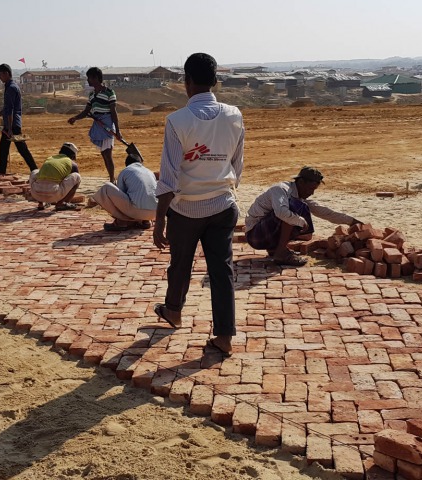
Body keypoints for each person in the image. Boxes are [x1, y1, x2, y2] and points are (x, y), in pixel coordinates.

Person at [152, 53, 244, 357]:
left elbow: (168, 177)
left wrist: (159, 221)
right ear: (215, 81)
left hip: (186, 210)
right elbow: (237, 164)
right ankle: (224, 337)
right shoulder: (234, 115)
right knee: (222, 271)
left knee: (180, 265)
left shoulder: (177, 121)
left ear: (186, 82)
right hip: (222, 205)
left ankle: (174, 311)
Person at [245, 167, 362, 267]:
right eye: (311, 189)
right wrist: (301, 221)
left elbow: (325, 212)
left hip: (265, 235)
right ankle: (280, 253)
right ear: (301, 182)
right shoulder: (281, 189)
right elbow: (281, 212)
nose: (312, 193)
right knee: (293, 209)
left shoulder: (299, 195)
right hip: (255, 235)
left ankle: (275, 249)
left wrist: (352, 222)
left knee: (300, 209)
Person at [67, 67, 119, 183]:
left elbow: (114, 112)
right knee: (104, 154)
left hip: (107, 125)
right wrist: (75, 118)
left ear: (96, 78)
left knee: (107, 153)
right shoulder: (91, 95)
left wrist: (117, 131)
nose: (88, 81)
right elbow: (86, 112)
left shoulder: (109, 92)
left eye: (89, 78)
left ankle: (112, 179)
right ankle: (111, 178)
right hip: (98, 125)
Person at [0, 63, 37, 175]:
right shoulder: (11, 86)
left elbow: (10, 110)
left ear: (6, 74)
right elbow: (6, 109)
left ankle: (35, 170)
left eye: (0, 74)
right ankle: (1, 172)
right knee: (4, 147)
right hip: (11, 124)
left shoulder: (11, 88)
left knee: (22, 148)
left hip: (13, 125)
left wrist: (9, 129)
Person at [93, 153, 157, 231]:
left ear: (127, 164)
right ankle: (145, 221)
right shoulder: (149, 172)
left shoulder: (126, 171)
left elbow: (121, 194)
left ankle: (121, 222)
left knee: (107, 187)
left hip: (137, 212)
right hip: (154, 213)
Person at [29, 143, 82, 211]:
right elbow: (71, 181)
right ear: (72, 155)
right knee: (77, 177)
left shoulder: (50, 159)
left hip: (36, 194)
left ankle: (40, 204)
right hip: (54, 194)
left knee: (35, 172)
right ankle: (61, 203)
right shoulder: (72, 164)